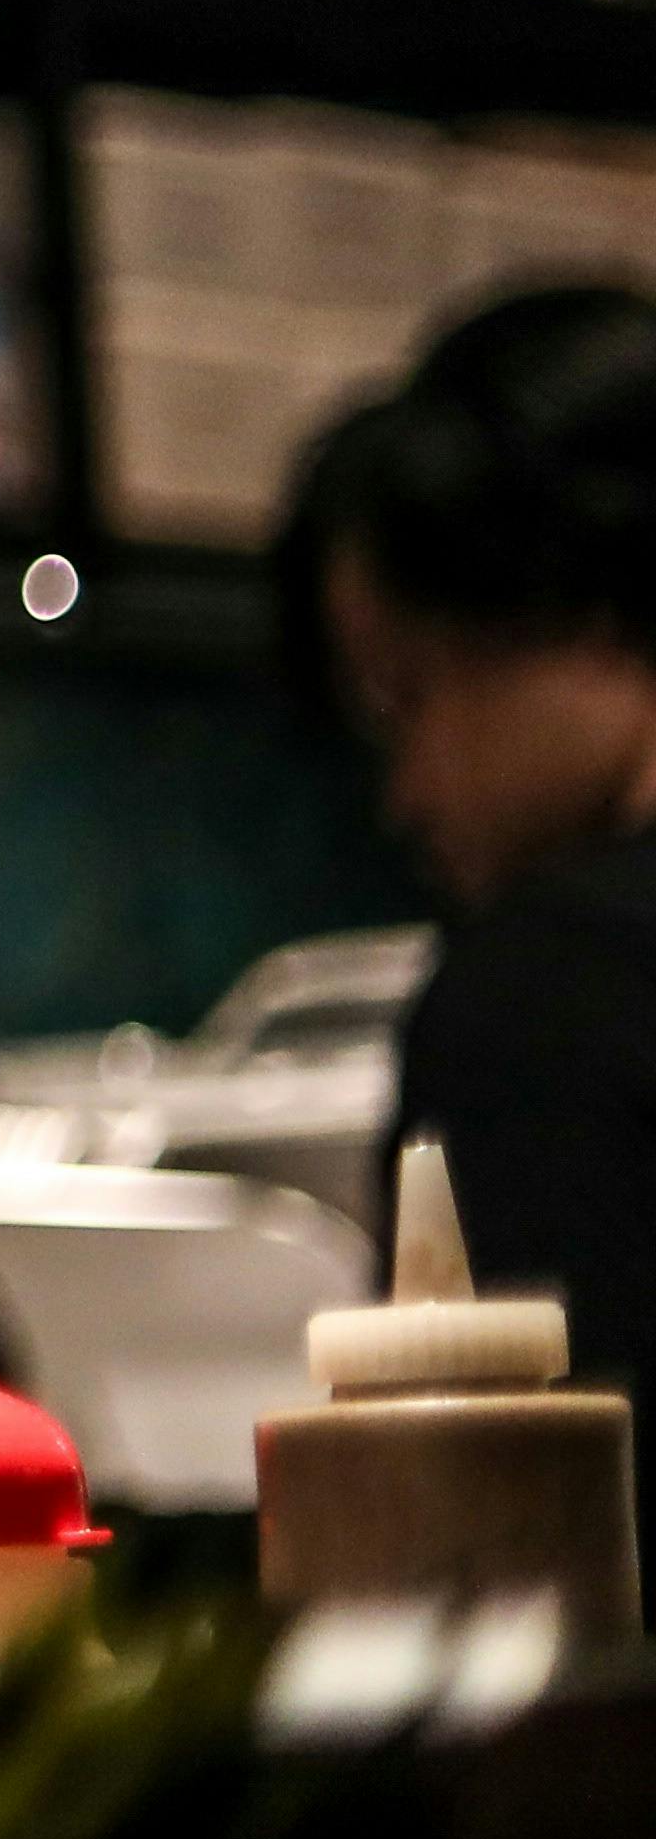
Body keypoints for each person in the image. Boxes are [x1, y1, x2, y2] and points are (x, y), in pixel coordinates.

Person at [291, 284, 656, 1383]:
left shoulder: (552, 988)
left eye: (409, 696)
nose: (403, 794)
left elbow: (497, 1468)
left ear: (587, 608)